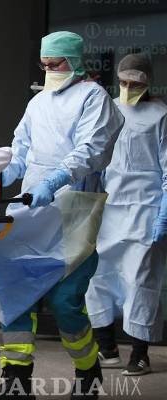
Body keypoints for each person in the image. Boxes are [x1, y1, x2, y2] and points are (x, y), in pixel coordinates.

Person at [0, 31, 124, 400]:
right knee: (15, 293)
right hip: (30, 214)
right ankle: (16, 384)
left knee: (65, 302)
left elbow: (90, 150)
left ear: (75, 61)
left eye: (55, 64)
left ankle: (88, 371)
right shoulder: (38, 102)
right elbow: (21, 152)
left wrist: (54, 180)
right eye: (44, 64)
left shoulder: (94, 99)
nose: (49, 70)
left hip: (73, 213)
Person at [86, 53, 166, 376]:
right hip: (110, 208)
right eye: (123, 82)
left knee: (140, 279)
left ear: (147, 83)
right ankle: (106, 347)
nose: (129, 88)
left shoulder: (161, 115)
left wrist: (164, 214)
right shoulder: (111, 110)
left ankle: (140, 353)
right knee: (98, 276)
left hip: (146, 208)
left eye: (136, 83)